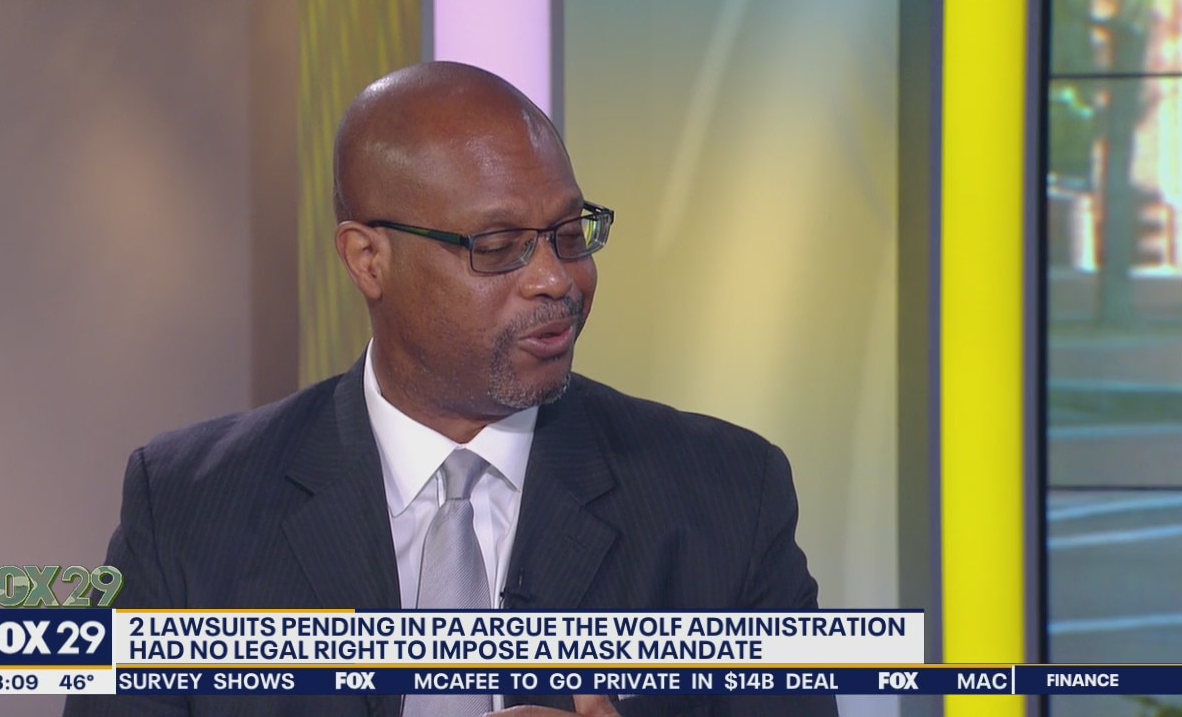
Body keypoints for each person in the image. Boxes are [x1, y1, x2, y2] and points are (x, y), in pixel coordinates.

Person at [64, 61, 836, 717]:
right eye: (498, 245)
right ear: (368, 259)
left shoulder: (726, 494)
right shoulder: (190, 504)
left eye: (571, 235)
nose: (555, 279)